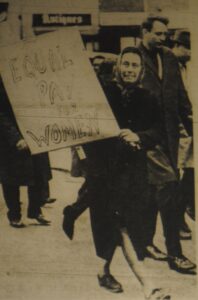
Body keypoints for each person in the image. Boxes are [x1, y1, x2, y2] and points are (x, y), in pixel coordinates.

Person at [65, 47, 171, 300]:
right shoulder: (103, 93)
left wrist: (139, 137)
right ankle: (149, 286)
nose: (129, 70)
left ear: (141, 71)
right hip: (103, 173)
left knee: (126, 226)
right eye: (126, 65)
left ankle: (103, 271)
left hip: (133, 175)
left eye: (134, 66)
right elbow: (82, 123)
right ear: (118, 67)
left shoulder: (148, 98)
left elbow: (159, 131)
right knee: (118, 226)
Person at [138, 15, 196, 274]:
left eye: (165, 34)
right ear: (144, 32)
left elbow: (181, 95)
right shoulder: (133, 57)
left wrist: (190, 121)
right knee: (170, 189)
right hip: (145, 138)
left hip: (169, 137)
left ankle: (145, 242)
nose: (162, 39)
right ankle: (175, 254)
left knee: (154, 192)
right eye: (158, 34)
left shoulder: (169, 58)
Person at [0, 78, 51, 228]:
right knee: (11, 179)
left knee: (38, 174)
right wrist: (15, 138)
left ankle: (35, 211)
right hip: (11, 140)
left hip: (35, 133)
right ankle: (14, 214)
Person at [172, 30, 195, 239]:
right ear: (178, 45)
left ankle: (187, 211)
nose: (190, 52)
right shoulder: (171, 66)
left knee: (189, 175)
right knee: (180, 177)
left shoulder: (188, 67)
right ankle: (178, 220)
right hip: (179, 130)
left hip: (190, 128)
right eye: (187, 47)